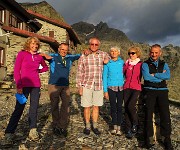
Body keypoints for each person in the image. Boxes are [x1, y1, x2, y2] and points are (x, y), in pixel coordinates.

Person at [3, 37, 48, 144]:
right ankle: (9, 133)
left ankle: (33, 130)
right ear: (28, 44)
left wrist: (38, 70)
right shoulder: (22, 54)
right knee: (19, 108)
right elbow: (16, 71)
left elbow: (45, 67)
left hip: (35, 86)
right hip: (23, 86)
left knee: (34, 108)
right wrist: (19, 86)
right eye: (33, 43)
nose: (35, 46)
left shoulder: (39, 57)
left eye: (36, 44)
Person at [43, 43, 81, 137]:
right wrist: (44, 55)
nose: (64, 51)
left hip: (66, 86)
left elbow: (79, 55)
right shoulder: (53, 56)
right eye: (62, 49)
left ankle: (62, 126)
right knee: (54, 105)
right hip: (53, 85)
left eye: (65, 50)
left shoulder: (70, 58)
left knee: (65, 105)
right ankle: (55, 125)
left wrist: (85, 52)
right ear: (59, 49)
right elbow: (42, 55)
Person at [142, 44, 173, 149]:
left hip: (163, 91)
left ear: (160, 53)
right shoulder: (145, 64)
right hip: (149, 90)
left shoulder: (164, 64)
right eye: (152, 52)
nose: (154, 54)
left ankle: (166, 139)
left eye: (156, 52)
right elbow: (146, 77)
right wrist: (160, 75)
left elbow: (167, 76)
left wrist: (154, 75)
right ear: (150, 52)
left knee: (165, 115)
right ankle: (149, 139)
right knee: (148, 114)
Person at [76, 37, 109, 136]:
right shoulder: (84, 55)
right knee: (86, 106)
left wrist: (107, 59)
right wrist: (79, 86)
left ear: (99, 45)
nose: (94, 46)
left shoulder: (103, 54)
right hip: (86, 84)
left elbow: (111, 56)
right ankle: (87, 126)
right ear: (89, 45)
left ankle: (94, 125)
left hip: (99, 85)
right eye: (92, 44)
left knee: (96, 106)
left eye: (96, 44)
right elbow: (79, 71)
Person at [103, 46, 124, 136]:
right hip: (111, 87)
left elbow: (126, 73)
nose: (114, 53)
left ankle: (119, 127)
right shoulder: (108, 63)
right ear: (110, 53)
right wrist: (105, 91)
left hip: (121, 87)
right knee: (113, 107)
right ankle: (114, 126)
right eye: (112, 51)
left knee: (120, 107)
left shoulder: (122, 62)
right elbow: (104, 77)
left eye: (115, 51)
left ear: (118, 53)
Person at [123, 46, 142, 139]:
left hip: (136, 87)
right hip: (126, 87)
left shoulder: (141, 64)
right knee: (126, 108)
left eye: (133, 53)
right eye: (129, 53)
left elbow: (146, 73)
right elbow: (121, 73)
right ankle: (128, 129)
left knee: (131, 105)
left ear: (137, 54)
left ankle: (136, 123)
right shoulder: (126, 63)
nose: (131, 55)